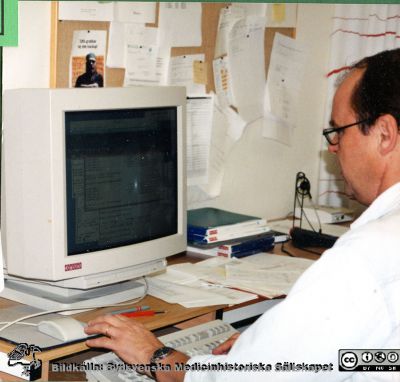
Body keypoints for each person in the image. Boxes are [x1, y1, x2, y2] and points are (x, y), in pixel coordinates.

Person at [84, 49, 400, 381]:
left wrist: (154, 354)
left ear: (384, 134)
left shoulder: (367, 257)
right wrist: (272, 345)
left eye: (339, 130)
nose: (334, 146)